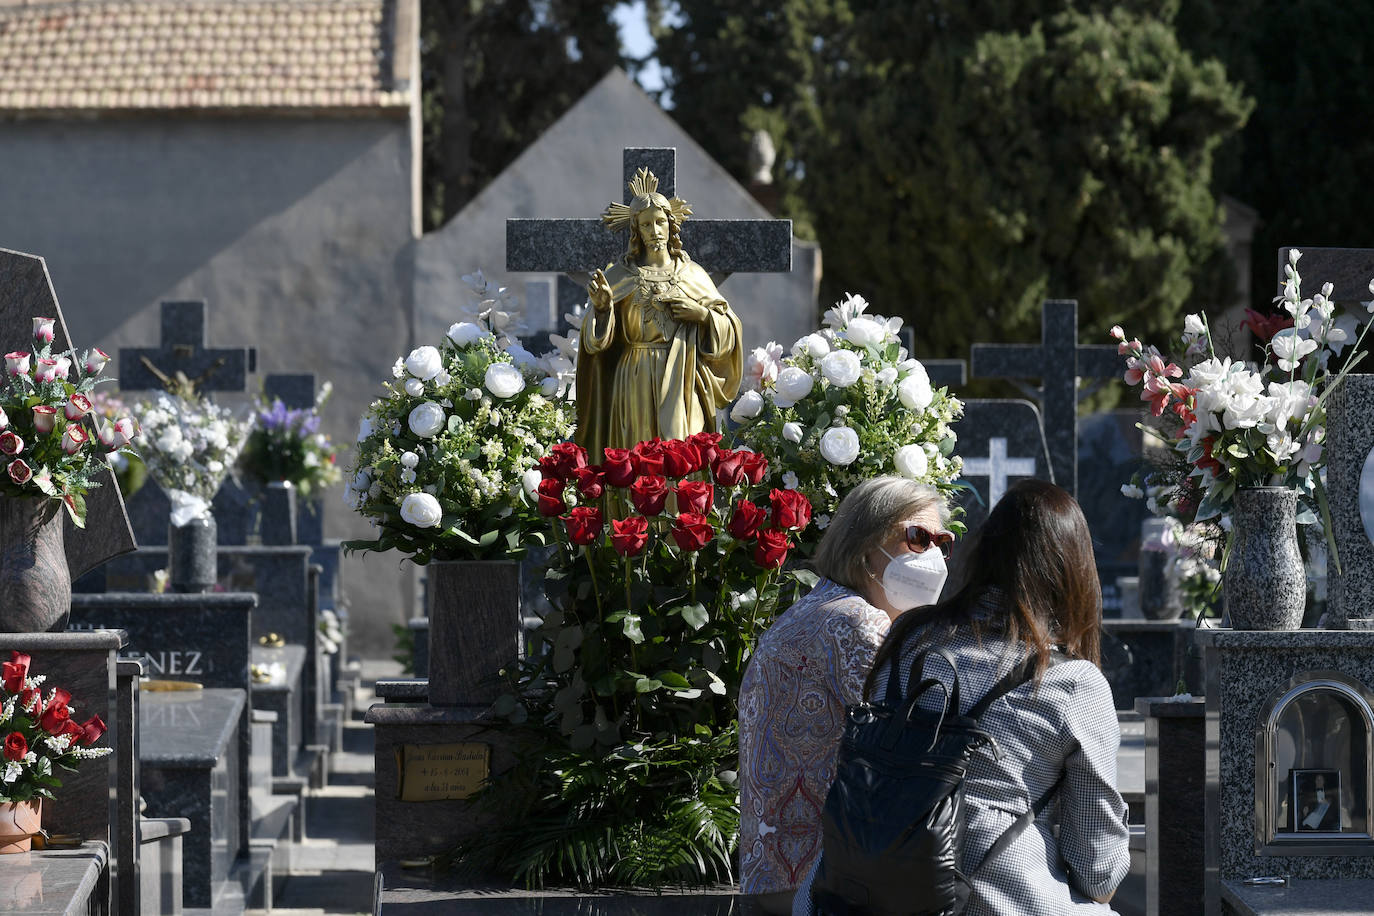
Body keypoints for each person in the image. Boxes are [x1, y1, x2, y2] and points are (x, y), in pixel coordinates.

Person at [796, 478, 1131, 915]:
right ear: (1075, 573)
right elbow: (1098, 872)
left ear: (982, 553)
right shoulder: (1074, 683)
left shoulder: (908, 636)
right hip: (989, 901)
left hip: (848, 894)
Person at [738, 476, 954, 914]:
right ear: (864, 548)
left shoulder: (818, 606)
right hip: (821, 882)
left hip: (774, 873)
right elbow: (925, 741)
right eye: (916, 537)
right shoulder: (856, 623)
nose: (931, 555)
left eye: (941, 542)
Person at [575, 167, 743, 463]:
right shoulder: (620, 275)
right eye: (646, 224)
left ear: (671, 224)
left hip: (683, 377)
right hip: (634, 378)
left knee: (680, 456)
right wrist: (602, 310)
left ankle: (684, 512)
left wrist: (702, 315)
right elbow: (594, 344)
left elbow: (730, 326)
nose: (655, 231)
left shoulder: (692, 274)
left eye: (660, 222)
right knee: (637, 462)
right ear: (636, 231)